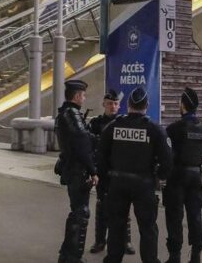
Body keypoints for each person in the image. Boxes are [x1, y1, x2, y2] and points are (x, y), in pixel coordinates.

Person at [98, 86, 172, 263]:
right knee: (147, 228)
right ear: (146, 105)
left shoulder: (113, 126)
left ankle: (113, 259)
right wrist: (159, 176)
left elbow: (101, 156)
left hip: (117, 183)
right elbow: (168, 161)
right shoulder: (155, 129)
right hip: (144, 185)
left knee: (116, 226)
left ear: (128, 105)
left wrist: (104, 183)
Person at [163, 88, 202, 263]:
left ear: (183, 105)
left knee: (174, 216)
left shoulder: (175, 128)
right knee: (195, 215)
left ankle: (174, 256)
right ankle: (196, 255)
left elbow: (165, 152)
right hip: (196, 176)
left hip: (177, 176)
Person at [55, 79, 98, 263]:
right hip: (77, 170)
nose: (84, 98)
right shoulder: (72, 114)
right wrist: (93, 170)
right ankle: (73, 257)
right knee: (81, 213)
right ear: (77, 95)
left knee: (77, 212)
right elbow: (82, 145)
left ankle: (67, 254)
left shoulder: (64, 113)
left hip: (72, 168)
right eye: (83, 95)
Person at [88, 89, 135, 255]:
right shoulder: (95, 123)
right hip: (103, 170)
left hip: (120, 170)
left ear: (119, 105)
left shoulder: (125, 123)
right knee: (101, 207)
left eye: (115, 104)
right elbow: (90, 147)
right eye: (109, 104)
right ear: (103, 104)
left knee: (124, 207)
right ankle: (100, 241)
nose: (113, 107)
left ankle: (126, 241)